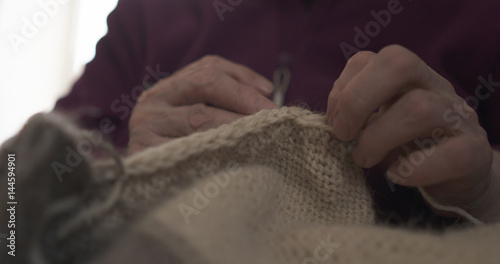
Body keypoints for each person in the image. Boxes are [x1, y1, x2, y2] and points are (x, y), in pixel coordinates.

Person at [55, 0, 500, 223]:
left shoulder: (480, 18)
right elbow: (22, 176)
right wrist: (125, 168)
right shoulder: (152, 11)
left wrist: (485, 189)